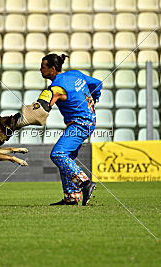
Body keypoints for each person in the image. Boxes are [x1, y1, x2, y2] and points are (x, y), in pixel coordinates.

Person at [19, 54, 102, 206]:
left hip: (80, 124)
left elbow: (41, 111)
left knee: (58, 154)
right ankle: (71, 197)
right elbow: (98, 84)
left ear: (52, 69)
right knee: (67, 157)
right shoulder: (75, 74)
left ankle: (85, 183)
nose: (40, 69)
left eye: (43, 66)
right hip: (88, 121)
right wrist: (94, 100)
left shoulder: (56, 88)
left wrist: (20, 120)